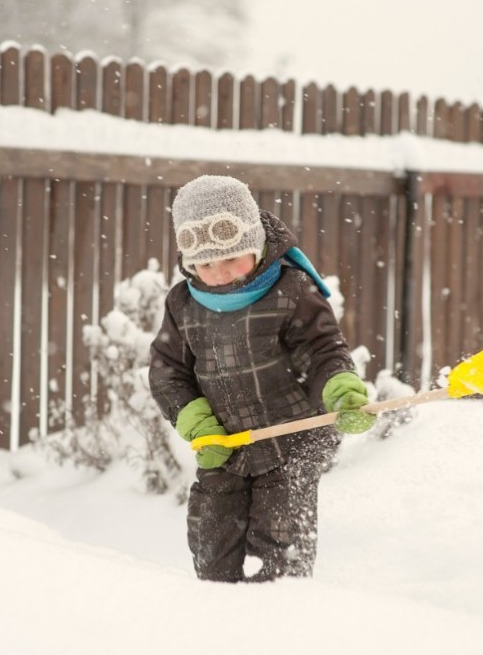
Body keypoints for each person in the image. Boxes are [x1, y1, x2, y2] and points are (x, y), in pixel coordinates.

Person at [149, 175, 375, 583]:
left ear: (255, 244)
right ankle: (215, 621)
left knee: (280, 543)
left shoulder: (291, 291)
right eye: (204, 263)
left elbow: (322, 351)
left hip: (291, 443)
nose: (218, 273)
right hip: (225, 447)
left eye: (232, 258)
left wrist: (339, 387)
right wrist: (197, 421)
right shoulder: (182, 304)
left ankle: (278, 616)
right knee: (212, 542)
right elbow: (168, 370)